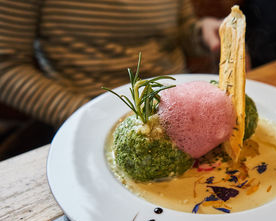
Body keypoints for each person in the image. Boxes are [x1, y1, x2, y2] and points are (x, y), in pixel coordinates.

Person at [0, 0, 221, 127]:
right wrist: (86, 115)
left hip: (181, 107)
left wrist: (201, 33)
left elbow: (181, 31)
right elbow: (6, 66)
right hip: (87, 115)